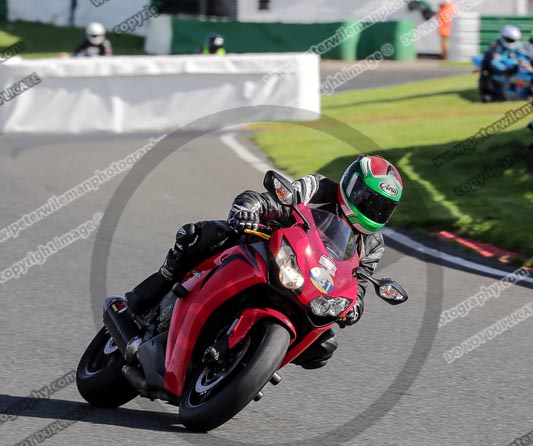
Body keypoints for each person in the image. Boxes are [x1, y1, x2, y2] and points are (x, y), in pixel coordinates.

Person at [125, 155, 403, 370]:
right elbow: (274, 200)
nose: (372, 210)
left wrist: (355, 307)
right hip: (269, 248)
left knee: (324, 346)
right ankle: (159, 285)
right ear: (352, 186)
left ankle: (257, 364)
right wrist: (249, 209)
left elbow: (358, 284)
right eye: (368, 200)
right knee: (208, 234)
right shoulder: (319, 189)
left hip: (308, 286)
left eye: (381, 207)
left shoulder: (373, 244)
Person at [479, 24, 529, 102]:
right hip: (493, 68)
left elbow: (523, 54)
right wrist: (507, 66)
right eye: (509, 39)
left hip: (510, 67)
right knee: (487, 77)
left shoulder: (518, 45)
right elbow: (495, 62)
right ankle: (487, 95)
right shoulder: (496, 46)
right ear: (503, 36)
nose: (511, 41)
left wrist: (524, 61)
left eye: (512, 40)